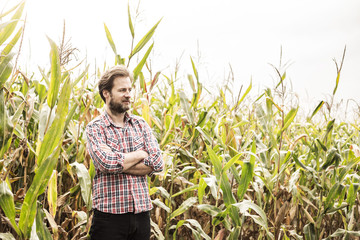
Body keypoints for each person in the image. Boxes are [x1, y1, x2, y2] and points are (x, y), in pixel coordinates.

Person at [86, 65, 163, 240]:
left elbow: (158, 163)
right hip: (109, 218)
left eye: (129, 89)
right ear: (106, 93)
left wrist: (118, 162)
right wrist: (141, 154)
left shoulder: (141, 124)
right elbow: (106, 163)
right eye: (122, 90)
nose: (128, 94)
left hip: (141, 215)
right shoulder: (95, 128)